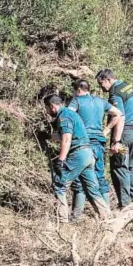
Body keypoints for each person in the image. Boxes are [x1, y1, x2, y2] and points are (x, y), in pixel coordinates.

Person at [44, 94, 110, 223]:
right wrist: (48, 136)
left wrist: (61, 160)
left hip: (78, 154)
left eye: (47, 108)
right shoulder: (71, 114)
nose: (47, 111)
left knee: (59, 185)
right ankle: (107, 218)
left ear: (52, 106)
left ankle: (61, 221)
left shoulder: (64, 116)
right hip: (88, 154)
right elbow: (65, 135)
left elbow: (67, 138)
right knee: (91, 189)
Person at [68, 79, 124, 221]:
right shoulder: (100, 101)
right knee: (100, 177)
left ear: (78, 90)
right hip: (99, 143)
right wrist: (106, 130)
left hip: (84, 143)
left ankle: (75, 218)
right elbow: (118, 114)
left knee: (80, 179)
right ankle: (108, 217)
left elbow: (68, 116)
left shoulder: (77, 101)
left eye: (74, 91)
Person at [96, 69, 133, 209]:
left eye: (101, 83)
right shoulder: (130, 87)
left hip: (124, 135)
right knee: (130, 167)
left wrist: (116, 140)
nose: (101, 87)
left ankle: (125, 205)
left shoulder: (115, 92)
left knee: (119, 167)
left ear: (108, 80)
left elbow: (120, 116)